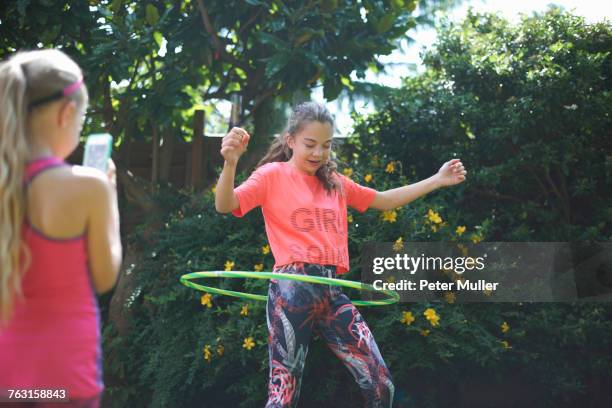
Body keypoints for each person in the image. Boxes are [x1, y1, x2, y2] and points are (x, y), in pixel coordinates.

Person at [215, 102, 467, 408]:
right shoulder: (272, 175)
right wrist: (230, 163)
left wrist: (437, 180)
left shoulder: (334, 183)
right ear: (290, 140)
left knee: (381, 384)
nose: (318, 153)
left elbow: (384, 200)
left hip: (333, 292)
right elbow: (226, 204)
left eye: (326, 145)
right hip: (291, 289)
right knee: (283, 396)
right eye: (310, 144)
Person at [0, 49, 122, 407]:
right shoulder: (88, 187)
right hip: (64, 380)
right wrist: (109, 196)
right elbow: (104, 276)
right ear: (66, 113)